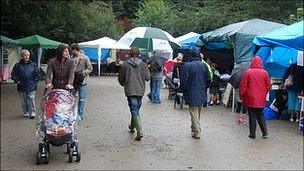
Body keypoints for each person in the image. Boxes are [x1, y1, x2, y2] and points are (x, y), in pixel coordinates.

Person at [118, 47, 150, 141]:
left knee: (134, 109)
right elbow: (148, 77)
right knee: (135, 109)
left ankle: (139, 131)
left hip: (130, 89)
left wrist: (124, 84)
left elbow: (121, 78)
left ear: (130, 54)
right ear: (139, 53)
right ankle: (132, 127)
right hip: (140, 90)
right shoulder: (143, 64)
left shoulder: (125, 64)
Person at [180, 49, 211, 139]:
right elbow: (209, 79)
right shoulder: (204, 65)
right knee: (198, 112)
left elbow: (184, 81)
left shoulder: (187, 66)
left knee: (193, 112)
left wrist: (183, 90)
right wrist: (205, 87)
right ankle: (194, 128)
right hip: (202, 91)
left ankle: (197, 131)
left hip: (191, 92)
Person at [239, 56, 271, 139]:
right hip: (261, 98)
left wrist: (242, 96)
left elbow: (243, 86)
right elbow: (268, 86)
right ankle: (265, 132)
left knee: (252, 115)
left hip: (250, 98)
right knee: (260, 114)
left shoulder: (248, 72)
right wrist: (263, 94)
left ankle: (252, 133)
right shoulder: (265, 73)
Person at [11, 49, 40, 119]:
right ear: (22, 56)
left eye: (28, 55)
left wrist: (35, 81)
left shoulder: (33, 65)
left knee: (31, 99)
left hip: (31, 85)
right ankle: (26, 112)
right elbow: (13, 74)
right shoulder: (17, 65)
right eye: (25, 55)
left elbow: (38, 74)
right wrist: (17, 81)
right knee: (23, 100)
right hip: (21, 85)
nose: (26, 57)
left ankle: (32, 112)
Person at [71, 43, 93, 120]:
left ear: (75, 50)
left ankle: (80, 114)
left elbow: (90, 68)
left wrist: (83, 73)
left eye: (72, 50)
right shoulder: (72, 58)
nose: (71, 51)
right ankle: (72, 113)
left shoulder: (85, 58)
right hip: (74, 81)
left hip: (83, 81)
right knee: (72, 98)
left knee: (82, 99)